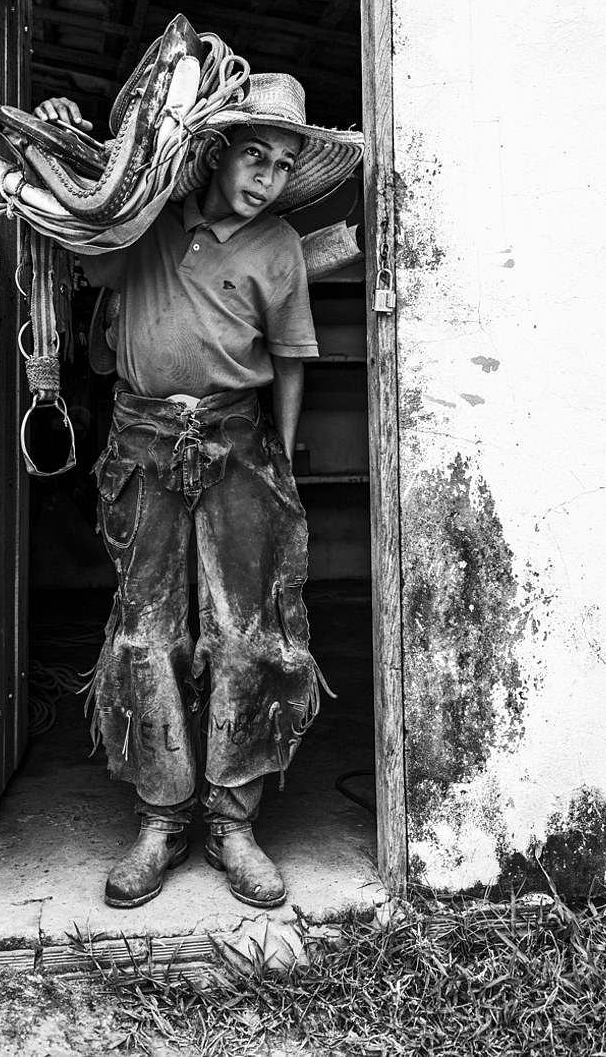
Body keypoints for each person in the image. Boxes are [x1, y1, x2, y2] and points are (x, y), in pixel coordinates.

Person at [34, 73, 363, 910]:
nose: (267, 177)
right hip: (142, 438)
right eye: (255, 155)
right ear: (215, 154)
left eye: (285, 164)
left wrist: (280, 454)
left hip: (237, 438)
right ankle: (161, 816)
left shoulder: (281, 245)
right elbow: (74, 209)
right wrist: (55, 130)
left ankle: (232, 818)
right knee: (147, 632)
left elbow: (290, 357)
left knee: (247, 630)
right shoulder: (143, 222)